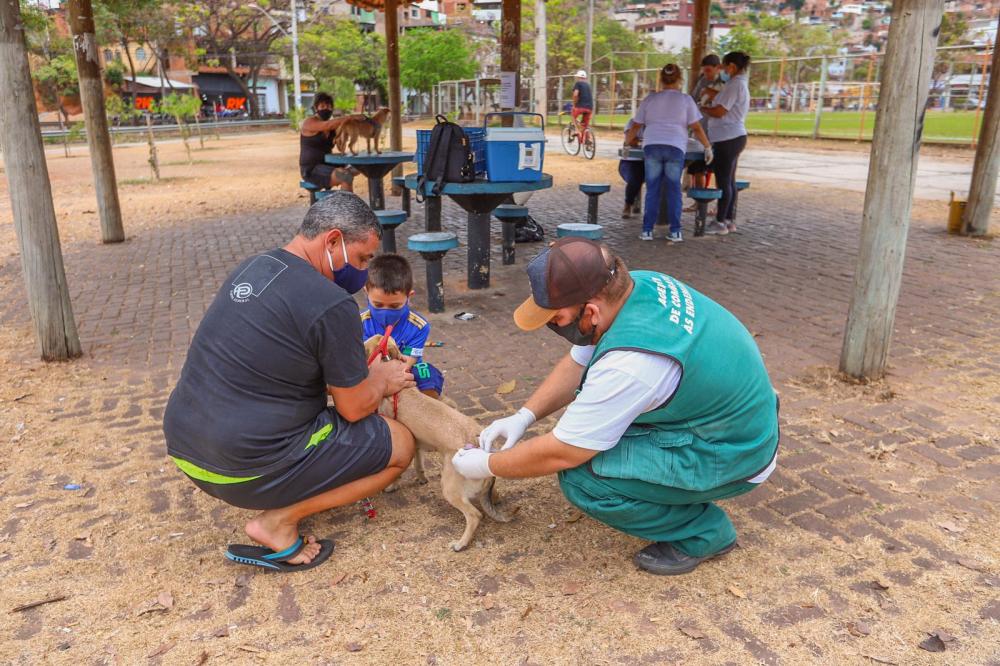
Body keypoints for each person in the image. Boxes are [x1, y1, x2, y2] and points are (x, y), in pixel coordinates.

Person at [450, 238, 779, 576]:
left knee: (584, 478)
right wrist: (524, 415)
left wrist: (488, 464)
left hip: (733, 452)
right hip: (731, 423)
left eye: (557, 317)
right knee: (596, 427)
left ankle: (704, 532)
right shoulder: (638, 285)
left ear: (590, 311)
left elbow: (562, 452)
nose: (553, 325)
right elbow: (580, 361)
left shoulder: (630, 365)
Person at [163, 193, 416, 571]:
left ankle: (282, 488)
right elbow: (354, 406)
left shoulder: (255, 266)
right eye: (362, 258)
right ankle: (277, 522)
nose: (363, 272)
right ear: (332, 241)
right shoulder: (331, 303)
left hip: (186, 448)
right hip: (241, 467)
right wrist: (381, 379)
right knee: (400, 445)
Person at [626, 63, 713, 244]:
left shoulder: (650, 99)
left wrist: (627, 143)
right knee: (674, 190)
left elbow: (636, 125)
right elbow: (696, 126)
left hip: (652, 146)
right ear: (680, 79)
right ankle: (675, 231)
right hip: (675, 147)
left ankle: (647, 230)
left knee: (652, 190)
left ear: (661, 79)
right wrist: (707, 146)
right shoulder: (686, 100)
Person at [361, 254, 444, 398]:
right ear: (366, 292)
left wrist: (395, 377)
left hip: (404, 370)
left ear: (409, 296)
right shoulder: (359, 322)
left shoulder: (419, 326)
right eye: (378, 305)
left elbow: (409, 360)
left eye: (394, 306)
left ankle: (428, 407)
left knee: (429, 373)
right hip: (371, 372)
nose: (385, 311)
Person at [700, 52, 751, 235]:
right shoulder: (736, 84)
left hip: (727, 137)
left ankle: (720, 221)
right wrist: (712, 94)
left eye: (724, 66)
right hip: (732, 136)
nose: (722, 70)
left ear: (732, 67)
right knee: (729, 180)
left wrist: (703, 109)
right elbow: (722, 99)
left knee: (724, 181)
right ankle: (728, 219)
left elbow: (721, 111)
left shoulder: (734, 85)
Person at [300, 92, 360, 193]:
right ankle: (347, 208)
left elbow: (341, 147)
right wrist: (350, 117)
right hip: (312, 169)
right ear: (316, 108)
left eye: (328, 106)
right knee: (345, 176)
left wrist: (345, 134)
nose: (326, 109)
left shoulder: (333, 128)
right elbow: (327, 125)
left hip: (328, 165)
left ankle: (341, 198)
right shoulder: (309, 122)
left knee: (360, 167)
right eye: (322, 106)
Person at [686, 54, 725, 197]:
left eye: (709, 70)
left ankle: (714, 204)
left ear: (718, 68)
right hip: (700, 131)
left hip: (717, 132)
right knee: (697, 169)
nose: (706, 74)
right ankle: (698, 201)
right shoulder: (702, 81)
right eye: (704, 70)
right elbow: (692, 99)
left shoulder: (725, 83)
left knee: (717, 170)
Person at [618, 118, 644, 220]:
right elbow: (631, 140)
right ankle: (627, 204)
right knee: (635, 178)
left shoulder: (657, 123)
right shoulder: (633, 122)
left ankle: (659, 211)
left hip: (649, 160)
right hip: (630, 160)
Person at [571, 70, 594, 136]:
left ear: (578, 77)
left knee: (573, 115)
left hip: (581, 106)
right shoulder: (588, 85)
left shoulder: (578, 83)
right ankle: (587, 139)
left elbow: (575, 94)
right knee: (584, 125)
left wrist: (574, 104)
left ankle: (576, 130)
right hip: (590, 107)